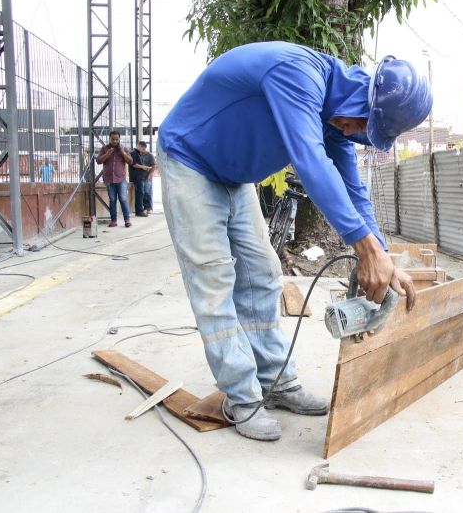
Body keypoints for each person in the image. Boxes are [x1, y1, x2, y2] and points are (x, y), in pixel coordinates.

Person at [157, 41, 432, 441]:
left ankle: (276, 384)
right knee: (214, 280)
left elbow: (352, 188)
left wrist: (383, 256)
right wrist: (363, 248)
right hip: (189, 159)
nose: (354, 133)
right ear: (363, 99)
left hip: (232, 177)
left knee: (262, 275)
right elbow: (310, 161)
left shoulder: (335, 115)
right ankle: (242, 399)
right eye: (362, 125)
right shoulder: (297, 74)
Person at [96, 131, 133, 228]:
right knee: (112, 200)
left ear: (119, 139)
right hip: (109, 179)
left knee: (123, 199)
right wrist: (107, 154)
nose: (115, 141)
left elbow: (130, 161)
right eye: (113, 139)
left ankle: (127, 220)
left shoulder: (124, 148)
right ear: (109, 138)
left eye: (117, 139)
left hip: (121, 179)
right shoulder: (104, 149)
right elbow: (98, 161)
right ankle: (113, 220)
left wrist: (122, 152)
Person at [130, 141, 156, 216]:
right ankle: (142, 209)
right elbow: (134, 164)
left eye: (144, 149)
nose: (142, 151)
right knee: (141, 193)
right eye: (142, 149)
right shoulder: (135, 153)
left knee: (147, 192)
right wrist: (144, 167)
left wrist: (150, 175)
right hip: (139, 177)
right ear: (139, 146)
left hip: (147, 176)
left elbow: (154, 166)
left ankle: (148, 207)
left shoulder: (149, 155)